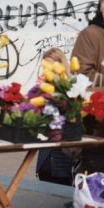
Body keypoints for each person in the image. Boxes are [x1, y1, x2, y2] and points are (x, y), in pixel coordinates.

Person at [35, 47, 79, 186]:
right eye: (45, 66)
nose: (47, 70)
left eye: (50, 65)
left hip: (63, 151)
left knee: (61, 183)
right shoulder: (43, 86)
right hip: (46, 153)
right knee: (46, 179)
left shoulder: (70, 87)